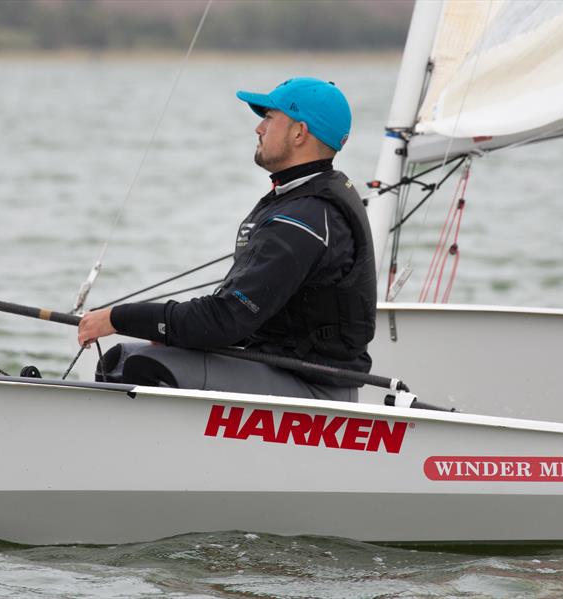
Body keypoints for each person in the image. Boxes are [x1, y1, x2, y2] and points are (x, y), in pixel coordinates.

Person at [78, 77, 376, 401]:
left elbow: (223, 321)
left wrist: (117, 318)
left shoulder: (305, 218)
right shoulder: (303, 198)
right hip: (280, 369)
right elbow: (239, 320)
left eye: (269, 118)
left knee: (140, 366)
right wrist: (169, 333)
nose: (258, 129)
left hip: (313, 391)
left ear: (299, 132)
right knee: (119, 361)